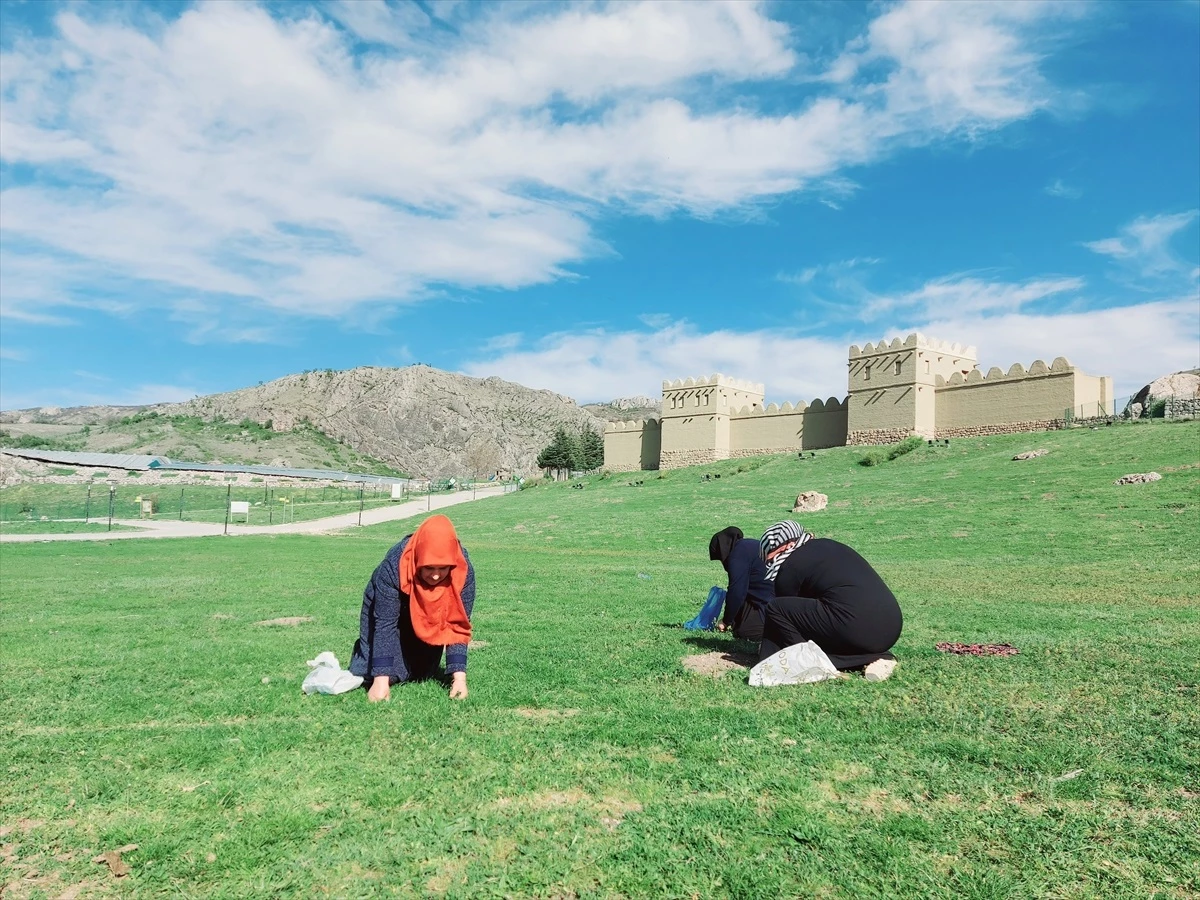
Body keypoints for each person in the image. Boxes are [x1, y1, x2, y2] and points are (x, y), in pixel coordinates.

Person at [349, 514, 475, 702]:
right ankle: (367, 659)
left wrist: (459, 678)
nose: (435, 576)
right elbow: (385, 624)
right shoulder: (394, 565)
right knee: (373, 674)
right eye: (429, 567)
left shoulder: (463, 571)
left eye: (443, 568)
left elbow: (457, 625)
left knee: (421, 673)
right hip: (391, 613)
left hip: (428, 615)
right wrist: (381, 681)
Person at [757, 520, 902, 679]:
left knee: (776, 608)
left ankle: (809, 663)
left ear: (785, 546)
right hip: (890, 627)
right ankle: (879, 657)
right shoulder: (828, 546)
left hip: (855, 625)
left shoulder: (790, 565)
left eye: (770, 557)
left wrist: (769, 649)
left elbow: (786, 618)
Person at [708, 526, 775, 641]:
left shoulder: (737, 555)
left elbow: (737, 592)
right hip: (775, 597)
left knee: (747, 632)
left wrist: (726, 621)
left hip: (770, 603)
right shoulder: (748, 545)